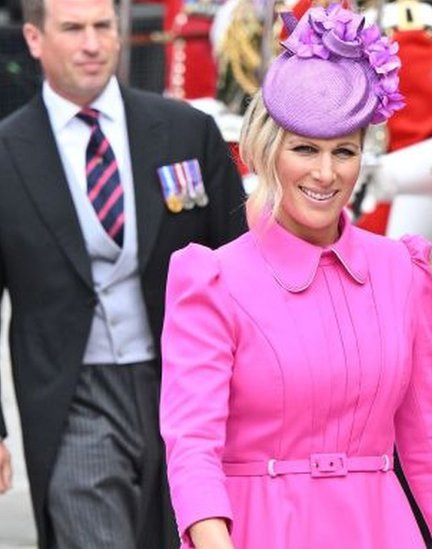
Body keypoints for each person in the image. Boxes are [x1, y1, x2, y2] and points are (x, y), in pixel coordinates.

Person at [158, 4, 432, 548]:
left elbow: (429, 438)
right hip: (261, 531)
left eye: (344, 151)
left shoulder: (400, 270)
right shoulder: (212, 280)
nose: (325, 173)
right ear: (268, 154)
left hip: (383, 531)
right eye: (305, 149)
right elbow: (192, 448)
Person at [0, 0, 247, 544]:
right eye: (72, 29)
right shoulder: (7, 154)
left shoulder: (187, 132)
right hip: (71, 399)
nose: (91, 43)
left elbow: (241, 266)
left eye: (101, 27)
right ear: (36, 39)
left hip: (185, 385)